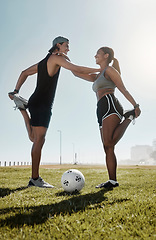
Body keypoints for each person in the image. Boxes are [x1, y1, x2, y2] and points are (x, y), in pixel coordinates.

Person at [8, 36, 100, 188]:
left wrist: (16, 90)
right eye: (66, 46)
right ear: (58, 45)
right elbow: (76, 69)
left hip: (35, 102)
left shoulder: (44, 61)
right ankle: (35, 179)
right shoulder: (56, 58)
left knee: (35, 138)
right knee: (39, 140)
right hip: (43, 104)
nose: (68, 49)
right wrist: (100, 69)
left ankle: (23, 109)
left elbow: (24, 72)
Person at [73, 47, 141, 189]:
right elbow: (76, 73)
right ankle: (112, 181)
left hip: (110, 103)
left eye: (97, 54)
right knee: (107, 146)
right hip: (100, 108)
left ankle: (129, 117)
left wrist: (135, 105)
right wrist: (65, 60)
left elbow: (123, 88)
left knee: (109, 143)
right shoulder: (97, 75)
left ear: (106, 55)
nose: (95, 56)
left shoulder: (110, 71)